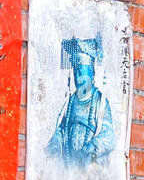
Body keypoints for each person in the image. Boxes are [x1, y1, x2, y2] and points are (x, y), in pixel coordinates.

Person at [46, 37, 116, 168]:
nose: (78, 77)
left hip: (90, 168)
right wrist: (56, 141)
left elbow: (109, 136)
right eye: (75, 72)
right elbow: (62, 129)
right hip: (69, 166)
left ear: (92, 73)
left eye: (82, 72)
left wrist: (91, 148)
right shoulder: (71, 101)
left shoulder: (100, 102)